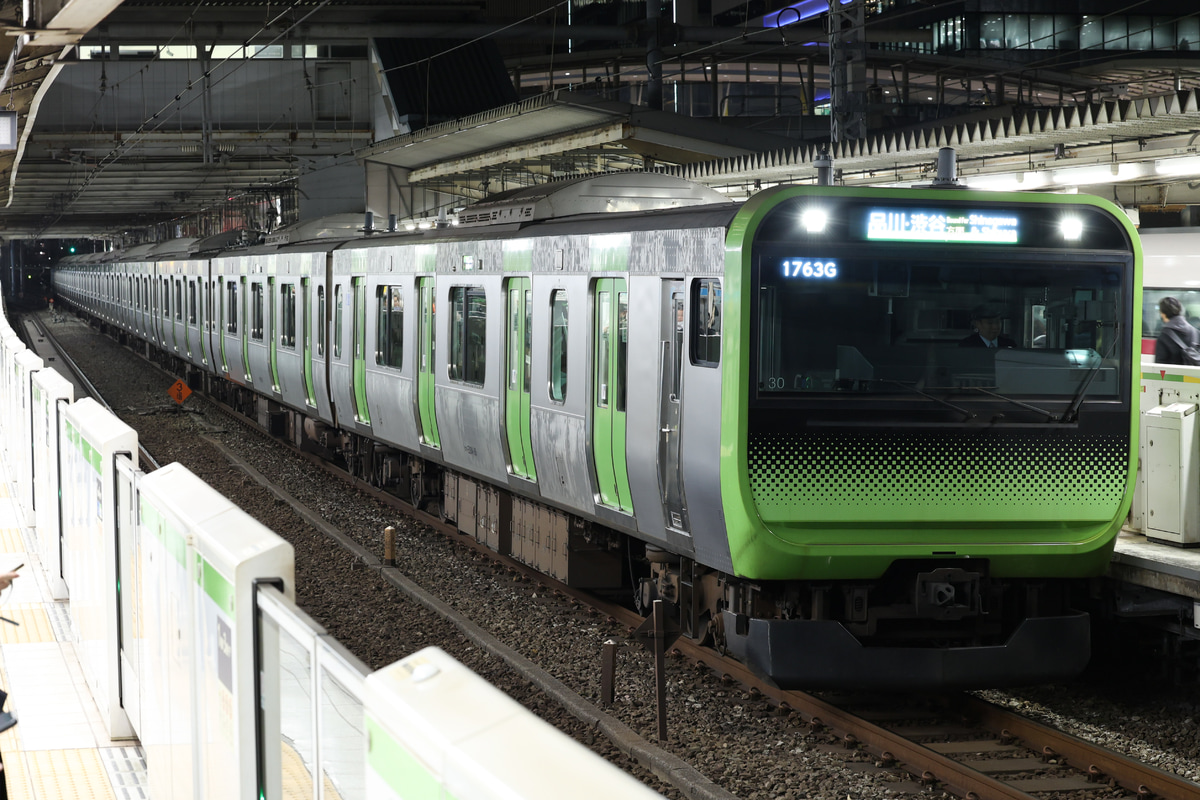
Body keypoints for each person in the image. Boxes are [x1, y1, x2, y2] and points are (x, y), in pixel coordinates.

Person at [1155, 296, 1200, 364]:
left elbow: (1160, 365)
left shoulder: (1164, 335)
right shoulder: (1196, 332)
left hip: (1172, 371)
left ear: (1163, 314)